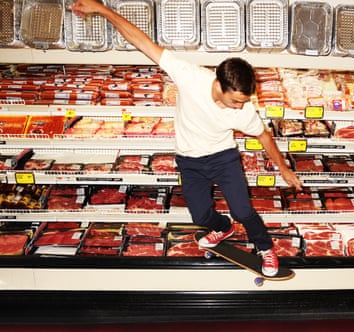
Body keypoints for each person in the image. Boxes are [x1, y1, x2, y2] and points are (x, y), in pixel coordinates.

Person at [70, 0, 302, 276]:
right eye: (236, 100)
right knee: (200, 216)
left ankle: (265, 249)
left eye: (244, 101)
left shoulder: (245, 111)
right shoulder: (191, 77)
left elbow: (263, 135)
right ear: (218, 84)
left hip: (223, 158)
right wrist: (103, 9)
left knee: (242, 211)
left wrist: (284, 168)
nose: (241, 107)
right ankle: (222, 227)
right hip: (189, 161)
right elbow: (141, 41)